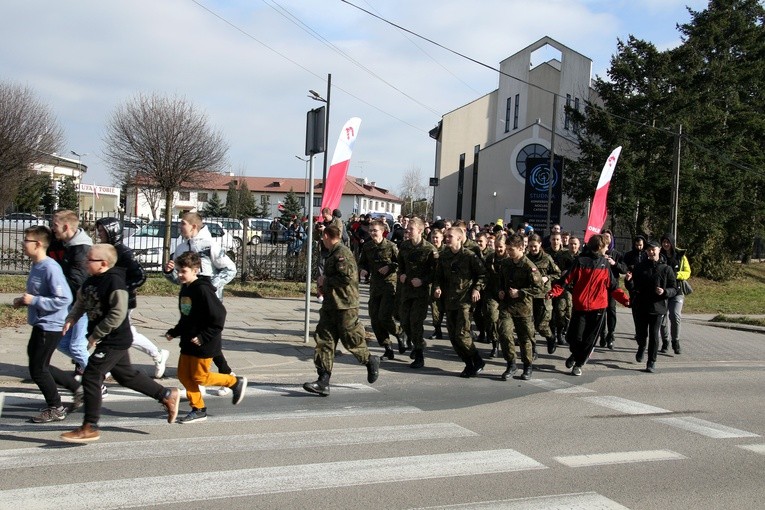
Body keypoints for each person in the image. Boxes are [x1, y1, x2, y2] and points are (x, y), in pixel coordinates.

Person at [59, 244, 181, 443]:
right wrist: (71, 318)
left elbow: (117, 314)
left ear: (103, 263)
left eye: (90, 259)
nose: (85, 262)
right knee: (126, 376)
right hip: (108, 338)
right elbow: (82, 301)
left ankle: (90, 426)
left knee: (91, 376)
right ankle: (166, 394)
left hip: (115, 339)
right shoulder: (91, 280)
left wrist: (95, 335)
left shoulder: (115, 282)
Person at [165, 251, 247, 423]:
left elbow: (219, 315)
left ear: (195, 270)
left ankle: (234, 382)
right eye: (178, 270)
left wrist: (204, 336)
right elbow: (187, 316)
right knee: (184, 375)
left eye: (183, 271)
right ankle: (199, 408)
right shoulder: (186, 288)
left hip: (204, 342)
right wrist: (175, 331)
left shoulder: (202, 289)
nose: (179, 274)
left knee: (200, 377)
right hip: (188, 340)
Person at [165, 212, 237, 396]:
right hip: (189, 301)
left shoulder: (210, 245)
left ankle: (225, 377)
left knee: (206, 339)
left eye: (183, 224)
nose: (179, 227)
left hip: (208, 302)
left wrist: (210, 287)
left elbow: (230, 269)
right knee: (200, 340)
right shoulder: (181, 248)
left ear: (193, 226)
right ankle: (219, 376)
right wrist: (169, 272)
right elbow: (178, 279)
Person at [303, 225, 380, 396]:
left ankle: (370, 360)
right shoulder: (333, 252)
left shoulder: (341, 253)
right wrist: (323, 285)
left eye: (321, 237)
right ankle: (323, 381)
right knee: (324, 340)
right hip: (331, 304)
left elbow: (346, 278)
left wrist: (325, 280)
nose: (321, 240)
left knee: (350, 339)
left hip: (345, 305)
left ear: (326, 235)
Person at [14, 225, 79, 423]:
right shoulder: (37, 265)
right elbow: (40, 294)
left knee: (38, 369)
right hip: (41, 323)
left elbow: (64, 299)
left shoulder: (50, 267)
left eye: (27, 240)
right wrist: (23, 300)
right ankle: (78, 389)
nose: (23, 244)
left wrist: (33, 301)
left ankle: (56, 407)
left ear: (38, 244)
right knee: (38, 363)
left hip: (52, 325)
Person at [96, 217, 170, 378]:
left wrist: (122, 289)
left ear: (113, 231)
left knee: (122, 333)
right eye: (99, 230)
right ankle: (113, 364)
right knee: (122, 333)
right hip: (110, 301)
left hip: (124, 301)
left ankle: (156, 354)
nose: (99, 233)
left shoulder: (123, 252)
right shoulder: (105, 250)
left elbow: (141, 276)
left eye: (102, 230)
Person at [548, 234, 619, 376]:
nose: (607, 249)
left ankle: (578, 364)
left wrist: (626, 301)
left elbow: (613, 286)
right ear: (599, 247)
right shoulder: (580, 261)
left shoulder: (605, 265)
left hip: (598, 308)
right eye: (605, 246)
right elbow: (566, 279)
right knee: (574, 337)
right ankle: (574, 354)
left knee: (589, 340)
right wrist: (553, 292)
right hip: (580, 306)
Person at [433, 227, 487, 377]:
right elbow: (438, 276)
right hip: (449, 301)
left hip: (465, 301)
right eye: (446, 236)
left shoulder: (470, 256)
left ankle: (477, 360)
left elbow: (482, 274)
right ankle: (469, 363)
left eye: (450, 236)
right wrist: (437, 287)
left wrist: (477, 288)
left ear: (459, 238)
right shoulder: (444, 256)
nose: (447, 239)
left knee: (462, 334)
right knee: (453, 337)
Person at [47, 209, 91, 378]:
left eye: (55, 225)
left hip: (82, 305)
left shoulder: (80, 250)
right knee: (63, 343)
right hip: (73, 304)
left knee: (76, 346)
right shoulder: (69, 246)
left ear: (66, 227)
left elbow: (77, 282)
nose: (52, 228)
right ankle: (97, 369)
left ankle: (98, 376)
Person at [626, 239, 677, 373]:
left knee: (654, 334)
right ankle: (641, 346)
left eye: (653, 249)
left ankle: (651, 362)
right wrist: (628, 282)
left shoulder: (666, 269)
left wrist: (665, 292)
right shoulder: (640, 266)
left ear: (659, 250)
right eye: (648, 250)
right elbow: (633, 287)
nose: (651, 252)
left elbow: (674, 288)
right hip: (641, 305)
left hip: (657, 306)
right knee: (641, 334)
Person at [496, 234, 543, 381]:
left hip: (523, 308)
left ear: (521, 248)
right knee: (504, 333)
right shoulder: (505, 264)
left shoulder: (530, 267)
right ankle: (511, 364)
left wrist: (521, 293)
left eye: (511, 249)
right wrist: (501, 290)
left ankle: (528, 366)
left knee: (525, 338)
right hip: (507, 306)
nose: (509, 252)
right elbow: (500, 280)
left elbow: (539, 288)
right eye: (508, 249)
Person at [358, 220, 404, 359]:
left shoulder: (391, 246)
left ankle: (400, 333)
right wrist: (363, 271)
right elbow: (362, 263)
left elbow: (400, 263)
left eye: (375, 230)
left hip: (389, 285)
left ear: (383, 231)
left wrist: (390, 267)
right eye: (370, 230)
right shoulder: (367, 246)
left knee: (384, 316)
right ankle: (387, 347)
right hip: (375, 285)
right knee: (374, 318)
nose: (372, 233)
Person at [397, 217, 438, 369]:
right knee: (404, 322)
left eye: (411, 229)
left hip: (421, 292)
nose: (407, 232)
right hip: (406, 290)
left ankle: (419, 356)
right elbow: (400, 264)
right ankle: (417, 343)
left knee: (416, 322)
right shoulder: (404, 246)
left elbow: (435, 272)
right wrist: (401, 274)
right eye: (407, 229)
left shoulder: (429, 249)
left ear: (420, 231)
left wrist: (423, 281)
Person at [526, 234, 561, 355]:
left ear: (540, 245)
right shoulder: (525, 258)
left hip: (544, 296)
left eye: (535, 246)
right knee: (529, 325)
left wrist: (548, 277)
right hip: (530, 296)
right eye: (530, 246)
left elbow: (558, 274)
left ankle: (551, 338)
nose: (533, 249)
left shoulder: (547, 258)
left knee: (541, 326)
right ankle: (532, 350)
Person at [659, 233, 691, 354]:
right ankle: (665, 341)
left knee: (675, 315)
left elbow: (687, 272)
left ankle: (675, 341)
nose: (666, 244)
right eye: (664, 242)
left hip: (677, 291)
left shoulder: (680, 255)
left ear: (672, 243)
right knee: (662, 317)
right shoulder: (659, 255)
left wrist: (677, 275)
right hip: (662, 291)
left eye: (668, 242)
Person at [599, 230, 626, 349]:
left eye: (608, 237)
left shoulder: (617, 254)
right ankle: (602, 335)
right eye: (603, 237)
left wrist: (614, 263)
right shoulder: (598, 253)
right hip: (600, 287)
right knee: (601, 312)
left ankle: (611, 335)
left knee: (611, 310)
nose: (606, 239)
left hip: (612, 287)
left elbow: (624, 269)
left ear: (611, 239)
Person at [483, 232, 508, 358]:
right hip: (492, 293)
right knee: (492, 318)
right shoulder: (490, 258)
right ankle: (494, 345)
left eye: (501, 247)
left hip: (508, 296)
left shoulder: (510, 259)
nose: (498, 249)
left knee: (505, 324)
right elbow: (485, 275)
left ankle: (507, 346)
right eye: (496, 246)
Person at [623, 235, 648, 339]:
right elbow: (624, 266)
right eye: (637, 245)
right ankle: (638, 331)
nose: (639, 247)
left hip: (645, 284)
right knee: (635, 309)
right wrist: (628, 270)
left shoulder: (646, 254)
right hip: (633, 284)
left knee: (644, 310)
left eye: (641, 245)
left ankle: (643, 330)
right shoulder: (629, 255)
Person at [428, 228, 446, 340]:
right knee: (435, 307)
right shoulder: (428, 249)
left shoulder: (447, 250)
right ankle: (437, 330)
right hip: (433, 281)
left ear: (442, 238)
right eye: (433, 238)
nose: (435, 240)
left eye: (437, 237)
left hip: (447, 282)